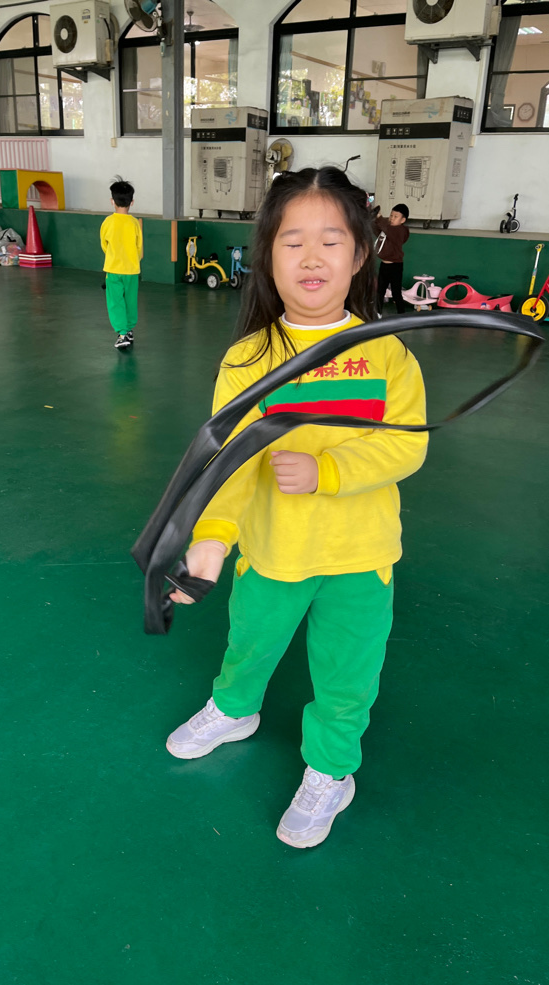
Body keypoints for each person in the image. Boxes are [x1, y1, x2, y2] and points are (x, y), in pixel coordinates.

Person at [165, 167, 428, 849]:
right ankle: (234, 709)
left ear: (361, 254)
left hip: (361, 557)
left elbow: (407, 446)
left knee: (347, 672)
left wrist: (327, 470)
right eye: (292, 242)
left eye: (331, 241)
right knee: (249, 641)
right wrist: (211, 540)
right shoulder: (249, 357)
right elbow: (229, 461)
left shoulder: (386, 354)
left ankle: (331, 771)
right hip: (273, 550)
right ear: (266, 256)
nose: (312, 258)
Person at [100, 177, 143, 349]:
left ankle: (123, 334)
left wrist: (113, 256)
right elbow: (139, 247)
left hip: (113, 269)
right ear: (132, 202)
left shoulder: (108, 222)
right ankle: (129, 329)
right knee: (130, 300)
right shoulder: (134, 223)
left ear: (112, 201)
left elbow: (104, 244)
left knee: (115, 301)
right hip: (132, 270)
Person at [373, 202, 409, 317]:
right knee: (380, 292)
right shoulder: (388, 230)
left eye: (395, 217)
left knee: (396, 293)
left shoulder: (401, 231)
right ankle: (378, 314)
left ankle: (402, 316)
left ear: (403, 220)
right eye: (391, 215)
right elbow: (379, 231)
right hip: (384, 265)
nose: (392, 218)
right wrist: (373, 219)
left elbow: (388, 229)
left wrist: (379, 217)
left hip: (395, 266)